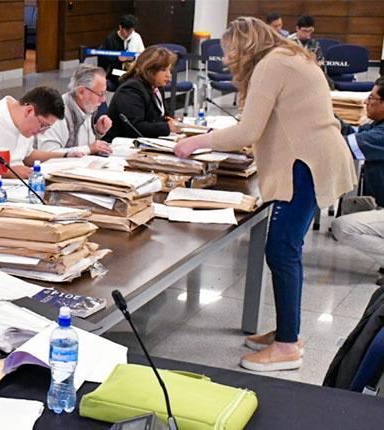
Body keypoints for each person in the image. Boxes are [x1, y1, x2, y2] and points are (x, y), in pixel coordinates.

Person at [175, 17, 357, 372]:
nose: (229, 60)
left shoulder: (272, 65)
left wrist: (195, 142)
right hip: (313, 157)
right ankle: (288, 332)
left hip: (304, 164)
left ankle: (287, 346)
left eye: (231, 52)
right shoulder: (290, 56)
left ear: (244, 46)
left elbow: (248, 131)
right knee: (287, 248)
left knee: (282, 250)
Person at [0, 86, 69, 179]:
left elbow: (28, 155)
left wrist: (65, 155)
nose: (42, 132)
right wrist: (10, 172)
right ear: (29, 111)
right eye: (43, 125)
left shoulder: (23, 122)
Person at [103, 46, 182, 140]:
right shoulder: (131, 89)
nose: (169, 75)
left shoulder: (157, 86)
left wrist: (172, 122)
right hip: (121, 143)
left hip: (147, 140)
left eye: (169, 70)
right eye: (164, 70)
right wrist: (167, 127)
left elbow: (162, 116)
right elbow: (134, 127)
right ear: (150, 70)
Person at [35, 64, 112, 156]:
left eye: (105, 93)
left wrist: (97, 131)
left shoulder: (86, 106)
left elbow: (84, 144)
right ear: (81, 92)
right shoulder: (57, 113)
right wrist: (89, 149)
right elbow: (47, 153)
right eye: (100, 94)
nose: (103, 100)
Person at [339, 77, 384, 207]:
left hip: (380, 211)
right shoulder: (378, 125)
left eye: (371, 98)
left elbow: (344, 145)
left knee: (346, 220)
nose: (365, 102)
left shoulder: (380, 135)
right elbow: (354, 132)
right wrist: (328, 116)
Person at [98, 14, 145, 88]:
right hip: (116, 71)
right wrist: (118, 58)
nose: (129, 34)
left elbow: (142, 55)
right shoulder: (111, 39)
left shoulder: (135, 37)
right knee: (129, 80)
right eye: (127, 31)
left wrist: (132, 58)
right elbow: (103, 60)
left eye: (131, 31)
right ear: (120, 27)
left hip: (132, 69)